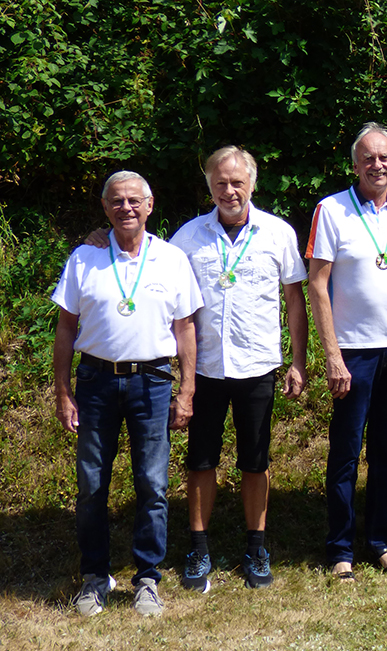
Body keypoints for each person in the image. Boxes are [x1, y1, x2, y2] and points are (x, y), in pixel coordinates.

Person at [53, 171, 202, 616]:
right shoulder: (84, 257)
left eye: (134, 201)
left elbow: (186, 328)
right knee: (91, 485)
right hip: (96, 382)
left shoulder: (173, 259)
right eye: (116, 201)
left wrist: (188, 389)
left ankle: (147, 579)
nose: (126, 208)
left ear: (150, 205)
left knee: (153, 486)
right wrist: (62, 392)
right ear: (105, 208)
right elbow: (65, 328)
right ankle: (95, 578)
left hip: (153, 382)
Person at [169, 147, 308, 591]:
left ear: (252, 183)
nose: (229, 190)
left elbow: (294, 301)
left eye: (237, 182)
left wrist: (298, 361)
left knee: (256, 460)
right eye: (220, 183)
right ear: (209, 185)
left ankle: (257, 546)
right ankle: (198, 547)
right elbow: (171, 305)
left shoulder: (278, 233)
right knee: (200, 460)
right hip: (205, 368)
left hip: (257, 365)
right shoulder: (186, 238)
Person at [307, 122, 387, 582]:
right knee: (346, 452)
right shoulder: (331, 210)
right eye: (368, 158)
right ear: (355, 164)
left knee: (386, 453)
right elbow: (317, 283)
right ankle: (340, 547)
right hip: (352, 352)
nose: (377, 165)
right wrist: (331, 355)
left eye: (385, 158)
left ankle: (379, 542)